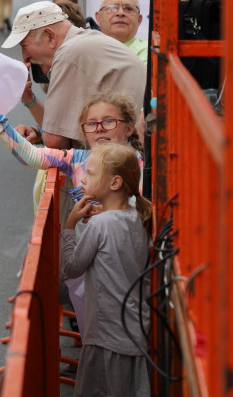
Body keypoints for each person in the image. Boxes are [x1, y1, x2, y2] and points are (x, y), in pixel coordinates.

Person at [60, 143, 152, 397]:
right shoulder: (138, 217)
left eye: (89, 173)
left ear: (115, 183)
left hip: (105, 334)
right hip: (135, 331)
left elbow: (70, 268)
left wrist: (69, 225)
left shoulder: (99, 224)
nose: (83, 176)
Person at [2, 0, 145, 150]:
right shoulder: (84, 42)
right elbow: (58, 131)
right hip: (128, 155)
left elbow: (54, 141)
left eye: (25, 47)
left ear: (50, 36)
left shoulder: (69, 53)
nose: (25, 57)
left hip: (118, 160)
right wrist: (29, 99)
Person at [0, 89, 143, 213]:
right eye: (91, 124)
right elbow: (32, 156)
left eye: (109, 121)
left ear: (129, 128)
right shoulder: (76, 159)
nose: (99, 129)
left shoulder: (143, 167)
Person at [95, 0, 149, 65]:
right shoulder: (86, 50)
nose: (120, 13)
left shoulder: (150, 52)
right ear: (99, 18)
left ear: (139, 20)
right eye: (112, 8)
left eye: (128, 9)